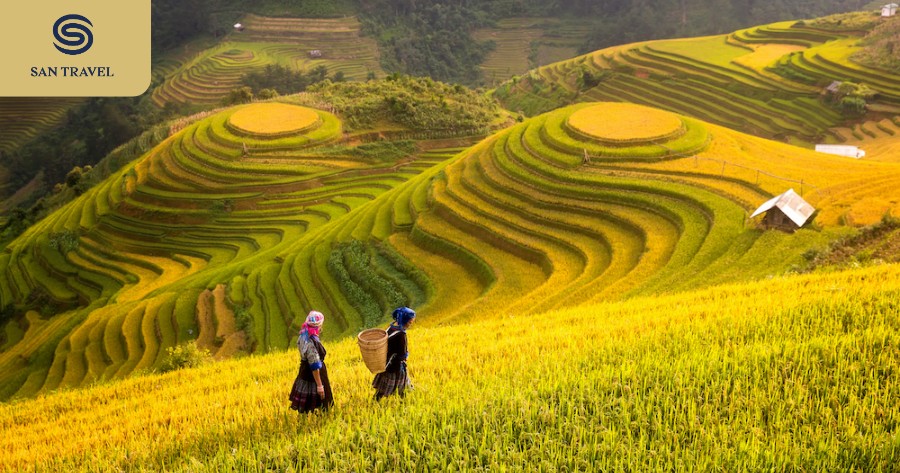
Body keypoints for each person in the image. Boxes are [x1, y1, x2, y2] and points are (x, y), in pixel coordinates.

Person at [289, 310, 333, 412]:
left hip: (304, 370)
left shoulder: (302, 336)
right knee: (321, 402)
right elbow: (314, 366)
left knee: (306, 404)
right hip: (314, 374)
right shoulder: (311, 342)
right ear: (319, 326)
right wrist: (319, 385)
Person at [372, 306, 416, 400]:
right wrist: (405, 357)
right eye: (410, 321)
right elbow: (402, 353)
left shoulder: (391, 328)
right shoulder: (401, 335)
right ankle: (402, 402)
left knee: (383, 386)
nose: (410, 324)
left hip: (386, 362)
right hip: (396, 365)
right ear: (404, 320)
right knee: (401, 387)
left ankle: (376, 400)